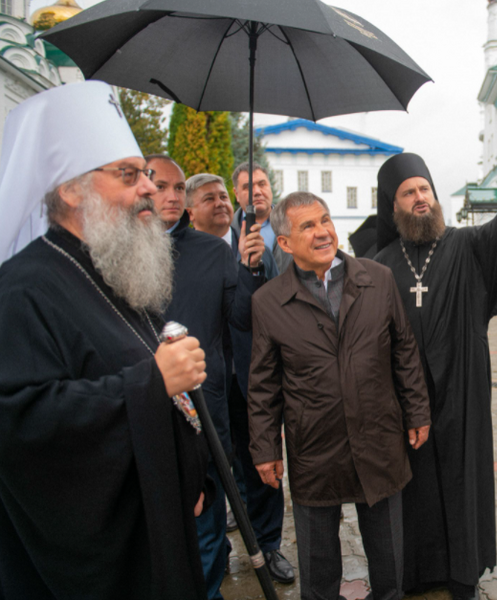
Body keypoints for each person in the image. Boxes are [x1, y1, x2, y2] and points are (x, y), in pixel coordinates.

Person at [0, 82, 209, 599]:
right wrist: (150, 381)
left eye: (145, 174)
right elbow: (19, 419)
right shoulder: (22, 289)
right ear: (71, 190)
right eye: (128, 174)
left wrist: (183, 472)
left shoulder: (113, 273)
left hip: (153, 518)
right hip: (96, 563)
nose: (148, 188)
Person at [374, 141, 497, 600]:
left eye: (426, 189)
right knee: (413, 484)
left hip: (463, 390)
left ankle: (463, 574)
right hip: (406, 401)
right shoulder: (379, 266)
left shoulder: (466, 244)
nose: (421, 197)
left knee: (462, 479)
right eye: (408, 192)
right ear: (393, 205)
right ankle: (415, 571)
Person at [248, 192, 431, 600]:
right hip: (314, 446)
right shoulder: (267, 302)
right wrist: (264, 448)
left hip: (379, 439)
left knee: (390, 564)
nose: (322, 232)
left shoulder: (376, 279)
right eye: (307, 226)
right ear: (285, 243)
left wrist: (418, 411)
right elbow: (263, 384)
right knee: (318, 569)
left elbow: (404, 350)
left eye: (325, 220)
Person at [146, 157, 272, 598]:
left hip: (206, 407)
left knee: (209, 523)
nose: (171, 195)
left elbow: (238, 318)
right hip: (145, 406)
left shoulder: (212, 249)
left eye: (179, 188)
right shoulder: (120, 250)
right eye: (160, 185)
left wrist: (250, 269)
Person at [186, 174, 292, 584]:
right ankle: (221, 541)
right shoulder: (181, 253)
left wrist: (256, 265)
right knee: (214, 463)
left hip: (251, 372)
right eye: (207, 198)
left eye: (220, 197)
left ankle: (269, 544)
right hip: (205, 379)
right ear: (190, 211)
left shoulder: (251, 241)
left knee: (260, 458)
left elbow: (261, 307)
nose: (219, 204)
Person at [232, 161, 292, 274]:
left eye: (262, 184)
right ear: (236, 194)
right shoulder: (228, 231)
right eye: (247, 187)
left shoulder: (293, 223)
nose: (257, 192)